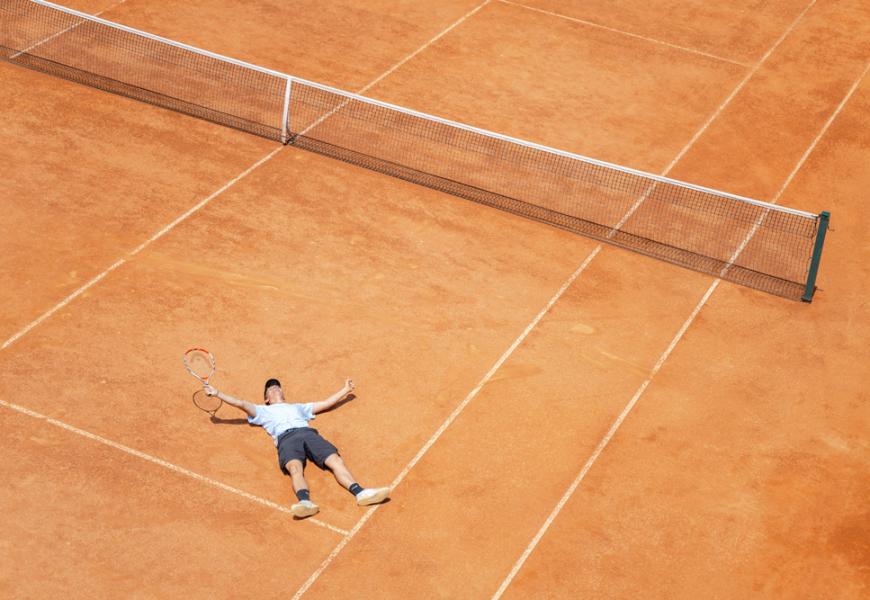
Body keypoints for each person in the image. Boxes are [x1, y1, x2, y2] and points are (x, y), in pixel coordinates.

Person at [203, 378, 390, 518]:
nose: (275, 387)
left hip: (308, 433)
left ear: (283, 393)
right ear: (266, 398)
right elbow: (241, 403)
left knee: (335, 460)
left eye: (277, 386)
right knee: (295, 468)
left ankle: (361, 493)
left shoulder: (299, 407)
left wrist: (345, 390)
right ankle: (305, 502)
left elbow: (324, 404)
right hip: (287, 439)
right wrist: (217, 392)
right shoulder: (262, 411)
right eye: (270, 388)